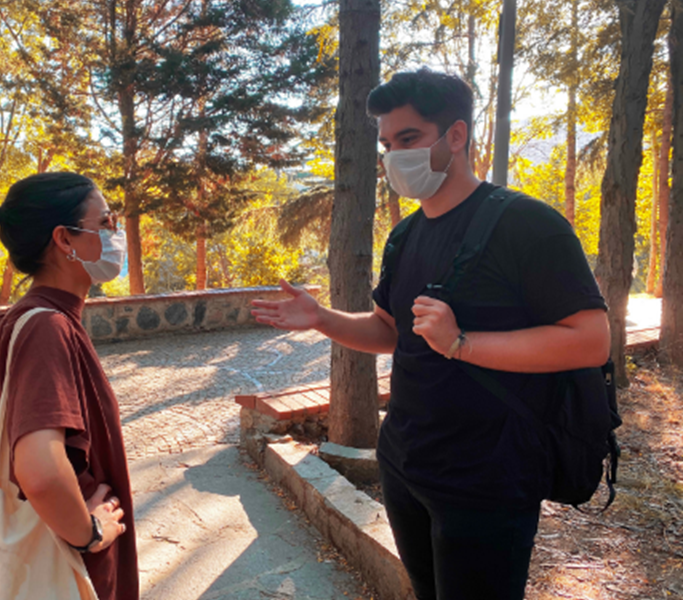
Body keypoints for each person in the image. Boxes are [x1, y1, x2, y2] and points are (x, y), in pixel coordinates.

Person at [251, 68, 610, 600]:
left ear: (456, 136)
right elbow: (392, 331)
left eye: (409, 139)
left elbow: (591, 339)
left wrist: (464, 343)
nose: (394, 156)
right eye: (387, 143)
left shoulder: (527, 224)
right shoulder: (405, 235)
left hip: (489, 477)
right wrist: (323, 318)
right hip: (405, 464)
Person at [0, 172, 138, 600]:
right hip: (71, 568)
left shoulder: (38, 319)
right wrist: (91, 532)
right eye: (105, 223)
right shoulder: (48, 327)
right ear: (64, 240)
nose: (115, 234)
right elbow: (40, 472)